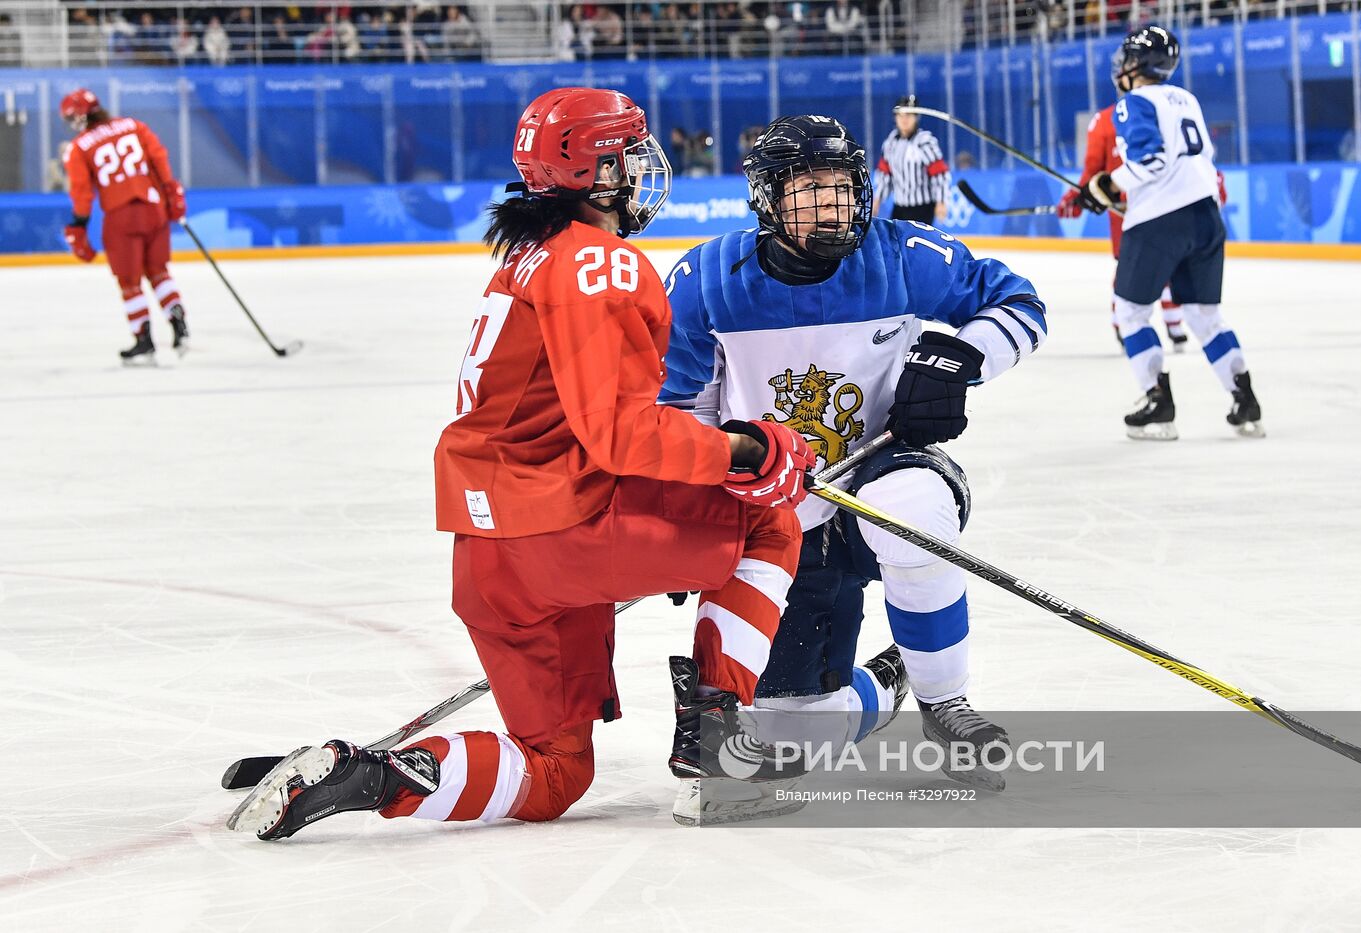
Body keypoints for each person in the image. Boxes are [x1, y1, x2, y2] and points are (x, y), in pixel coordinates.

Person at [228, 87, 814, 841]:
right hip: (567, 533)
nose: (640, 171)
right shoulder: (602, 263)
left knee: (556, 771)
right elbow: (621, 437)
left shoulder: (524, 259)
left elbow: (574, 426)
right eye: (629, 155)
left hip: (488, 564)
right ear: (597, 170)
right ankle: (720, 751)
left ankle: (369, 777)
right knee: (768, 519)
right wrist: (749, 450)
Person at [660, 114, 1048, 814]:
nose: (831, 204)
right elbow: (677, 408)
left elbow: (1018, 301)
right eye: (810, 189)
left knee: (916, 512)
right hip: (776, 511)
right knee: (787, 739)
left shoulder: (899, 255)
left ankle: (944, 700)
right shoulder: (707, 280)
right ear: (768, 198)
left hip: (879, 467)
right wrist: (695, 498)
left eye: (841, 188)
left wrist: (958, 360)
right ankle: (885, 682)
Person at [1079, 25, 1263, 440]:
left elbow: (1152, 163)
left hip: (1161, 222)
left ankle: (1158, 402)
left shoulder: (1132, 104)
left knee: (1130, 312)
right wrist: (1116, 191)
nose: (1122, 67)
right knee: (1204, 315)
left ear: (1138, 65)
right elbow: (1187, 165)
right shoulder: (1187, 99)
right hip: (1205, 216)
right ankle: (1244, 398)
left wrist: (1107, 186)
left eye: (1128, 59)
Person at [1058, 48, 1193, 353]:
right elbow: (1092, 171)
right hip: (1126, 213)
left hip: (1165, 204)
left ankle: (1174, 323)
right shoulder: (1104, 121)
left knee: (1172, 266)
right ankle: (1123, 324)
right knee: (1129, 270)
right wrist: (1077, 197)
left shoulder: (1166, 108)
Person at [60, 88, 190, 365]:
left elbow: (82, 193)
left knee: (129, 282)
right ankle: (178, 320)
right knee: (158, 272)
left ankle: (143, 339)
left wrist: (79, 225)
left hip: (121, 215)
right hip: (153, 208)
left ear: (82, 116)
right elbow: (159, 159)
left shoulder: (80, 147)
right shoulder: (134, 126)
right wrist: (172, 193)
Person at [871, 95, 951, 224]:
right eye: (900, 115)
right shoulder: (890, 143)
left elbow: (939, 174)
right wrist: (877, 200)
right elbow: (885, 176)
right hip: (900, 207)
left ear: (916, 117)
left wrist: (941, 201)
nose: (904, 119)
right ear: (895, 117)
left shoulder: (925, 142)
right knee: (895, 241)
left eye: (909, 115)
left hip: (923, 208)